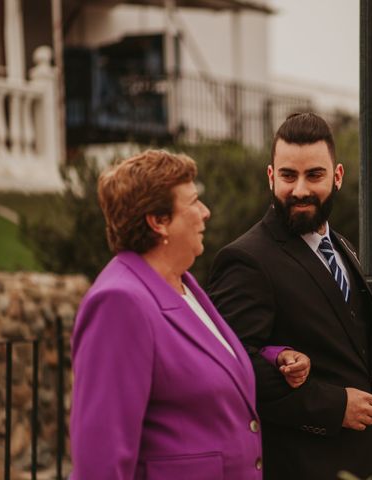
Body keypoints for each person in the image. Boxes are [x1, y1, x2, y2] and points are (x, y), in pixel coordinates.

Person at [70, 149, 310, 479]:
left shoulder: (183, 283)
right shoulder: (119, 302)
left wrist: (275, 356)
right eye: (194, 202)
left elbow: (199, 360)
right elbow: (100, 461)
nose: (206, 213)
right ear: (159, 221)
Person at [207, 113, 372, 480]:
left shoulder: (342, 247)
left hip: (364, 462)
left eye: (315, 175)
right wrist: (334, 406)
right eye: (289, 176)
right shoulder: (246, 260)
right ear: (271, 176)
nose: (301, 190)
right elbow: (230, 368)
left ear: (337, 177)